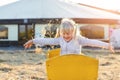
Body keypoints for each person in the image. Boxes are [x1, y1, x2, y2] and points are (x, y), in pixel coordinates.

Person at [24, 18, 114, 55]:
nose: (66, 36)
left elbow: (92, 42)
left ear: (74, 32)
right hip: (64, 62)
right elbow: (47, 40)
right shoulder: (60, 39)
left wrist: (107, 45)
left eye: (69, 33)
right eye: (64, 33)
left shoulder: (78, 39)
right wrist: (33, 41)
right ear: (61, 32)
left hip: (75, 62)